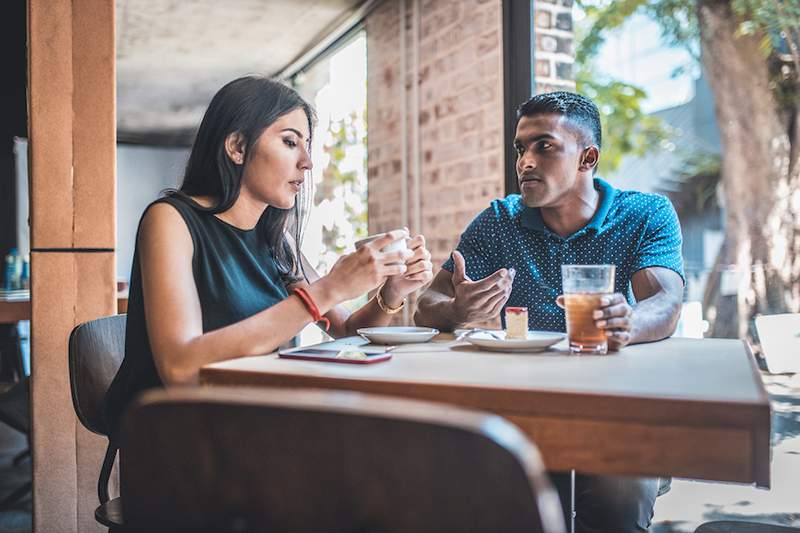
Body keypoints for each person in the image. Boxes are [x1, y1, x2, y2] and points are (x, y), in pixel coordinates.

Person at [414, 91, 685, 532]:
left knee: (618, 504)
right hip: (525, 410)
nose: (524, 162)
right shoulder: (499, 220)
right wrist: (456, 310)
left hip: (617, 408)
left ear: (587, 157)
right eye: (521, 148)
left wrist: (629, 322)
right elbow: (426, 306)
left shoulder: (645, 214)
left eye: (545, 146)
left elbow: (666, 302)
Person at [104, 76, 433, 434]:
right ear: (237, 146)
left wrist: (392, 292)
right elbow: (181, 369)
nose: (307, 162)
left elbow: (346, 329)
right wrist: (328, 288)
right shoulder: (170, 220)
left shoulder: (277, 239)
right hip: (181, 435)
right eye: (290, 142)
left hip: (252, 423)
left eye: (307, 146)